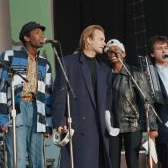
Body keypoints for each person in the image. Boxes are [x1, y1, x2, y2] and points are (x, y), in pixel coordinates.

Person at [52, 25, 112, 168]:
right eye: (101, 39)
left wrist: (109, 122)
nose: (104, 43)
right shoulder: (69, 62)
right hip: (78, 125)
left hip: (99, 127)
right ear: (88, 39)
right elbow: (59, 93)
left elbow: (108, 99)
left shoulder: (104, 69)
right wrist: (60, 120)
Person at [0, 21, 53, 168]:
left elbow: (47, 94)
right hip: (17, 108)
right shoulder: (10, 56)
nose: (42, 36)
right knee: (17, 158)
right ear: (27, 37)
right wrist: (2, 117)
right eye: (37, 33)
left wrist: (47, 123)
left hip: (37, 109)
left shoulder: (45, 63)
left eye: (42, 33)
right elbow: (2, 87)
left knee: (37, 159)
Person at [106, 39, 158, 168]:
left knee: (133, 161)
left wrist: (152, 127)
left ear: (123, 53)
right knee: (112, 162)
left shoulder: (135, 73)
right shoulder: (104, 74)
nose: (112, 54)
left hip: (133, 124)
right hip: (112, 124)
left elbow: (147, 101)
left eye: (115, 51)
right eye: (109, 52)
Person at [148, 35, 168, 168]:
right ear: (152, 53)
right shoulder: (149, 72)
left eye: (166, 48)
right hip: (163, 123)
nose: (164, 51)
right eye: (160, 48)